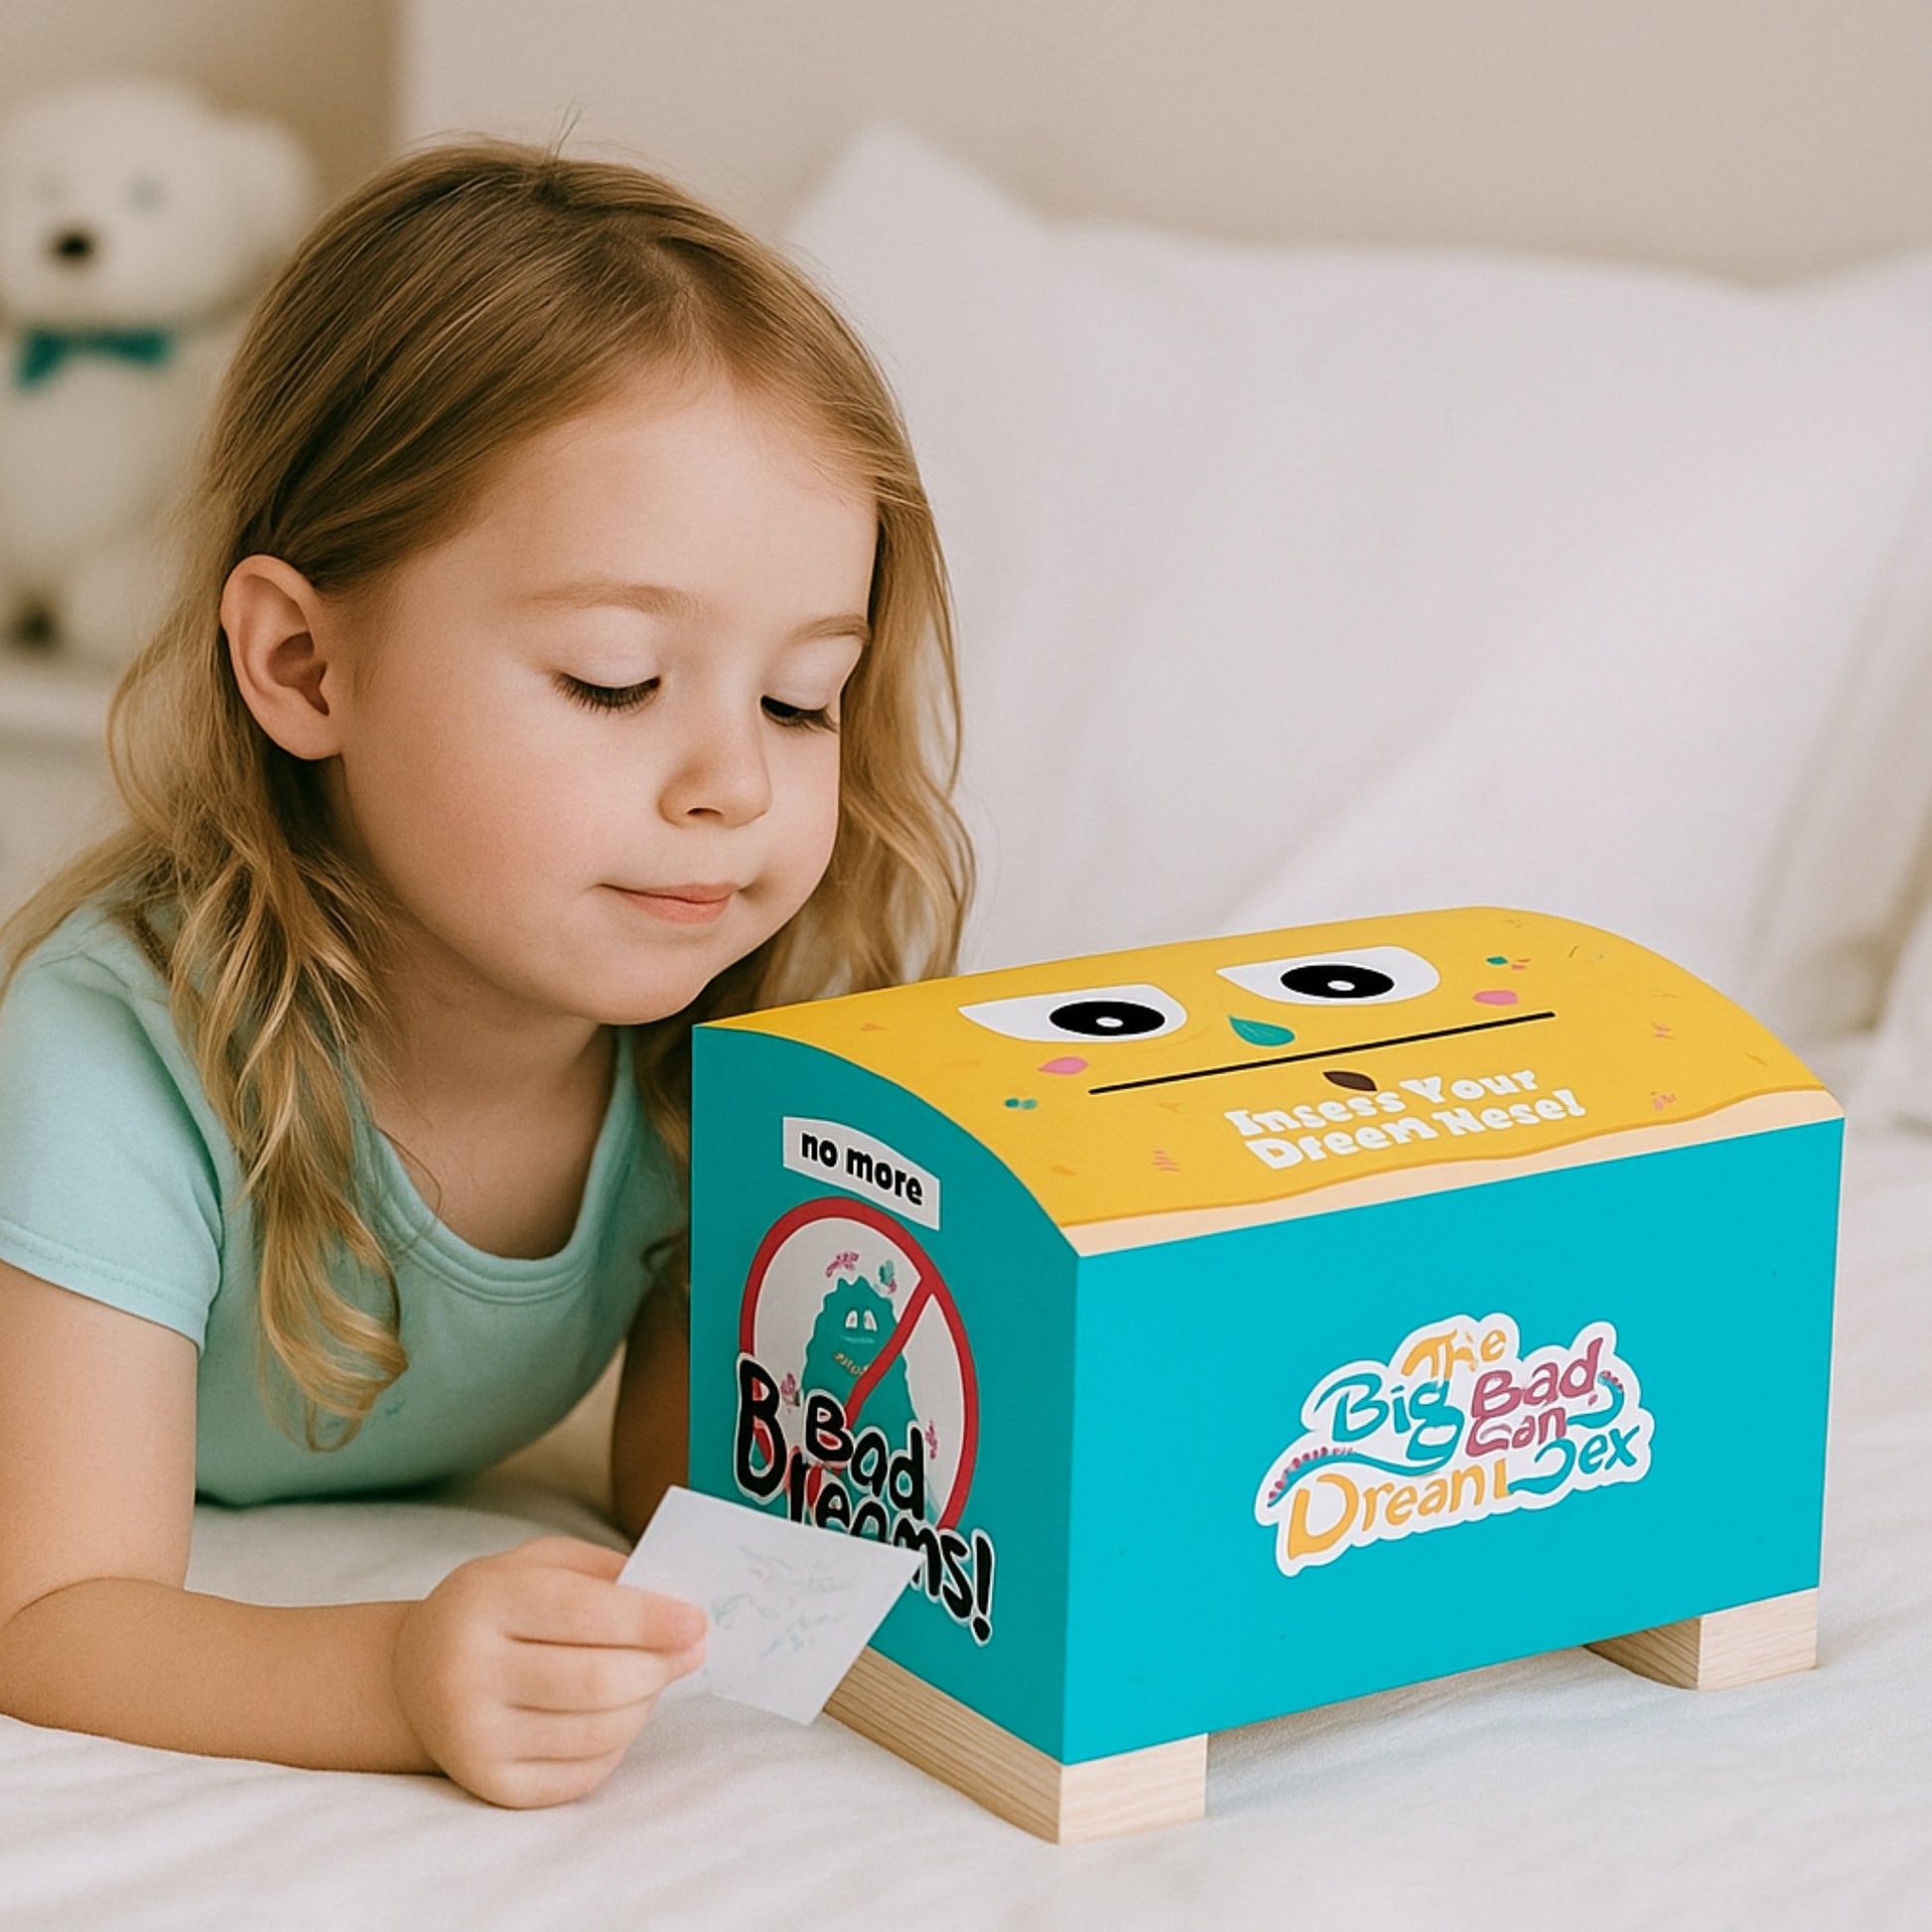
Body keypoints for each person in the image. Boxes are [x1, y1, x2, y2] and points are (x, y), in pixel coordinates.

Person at [0, 135, 974, 1811]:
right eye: (613, 681)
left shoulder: (719, 1035)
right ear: (304, 663)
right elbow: (49, 1613)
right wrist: (386, 1670)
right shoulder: (115, 1048)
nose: (730, 785)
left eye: (802, 697)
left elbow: (688, 1492)